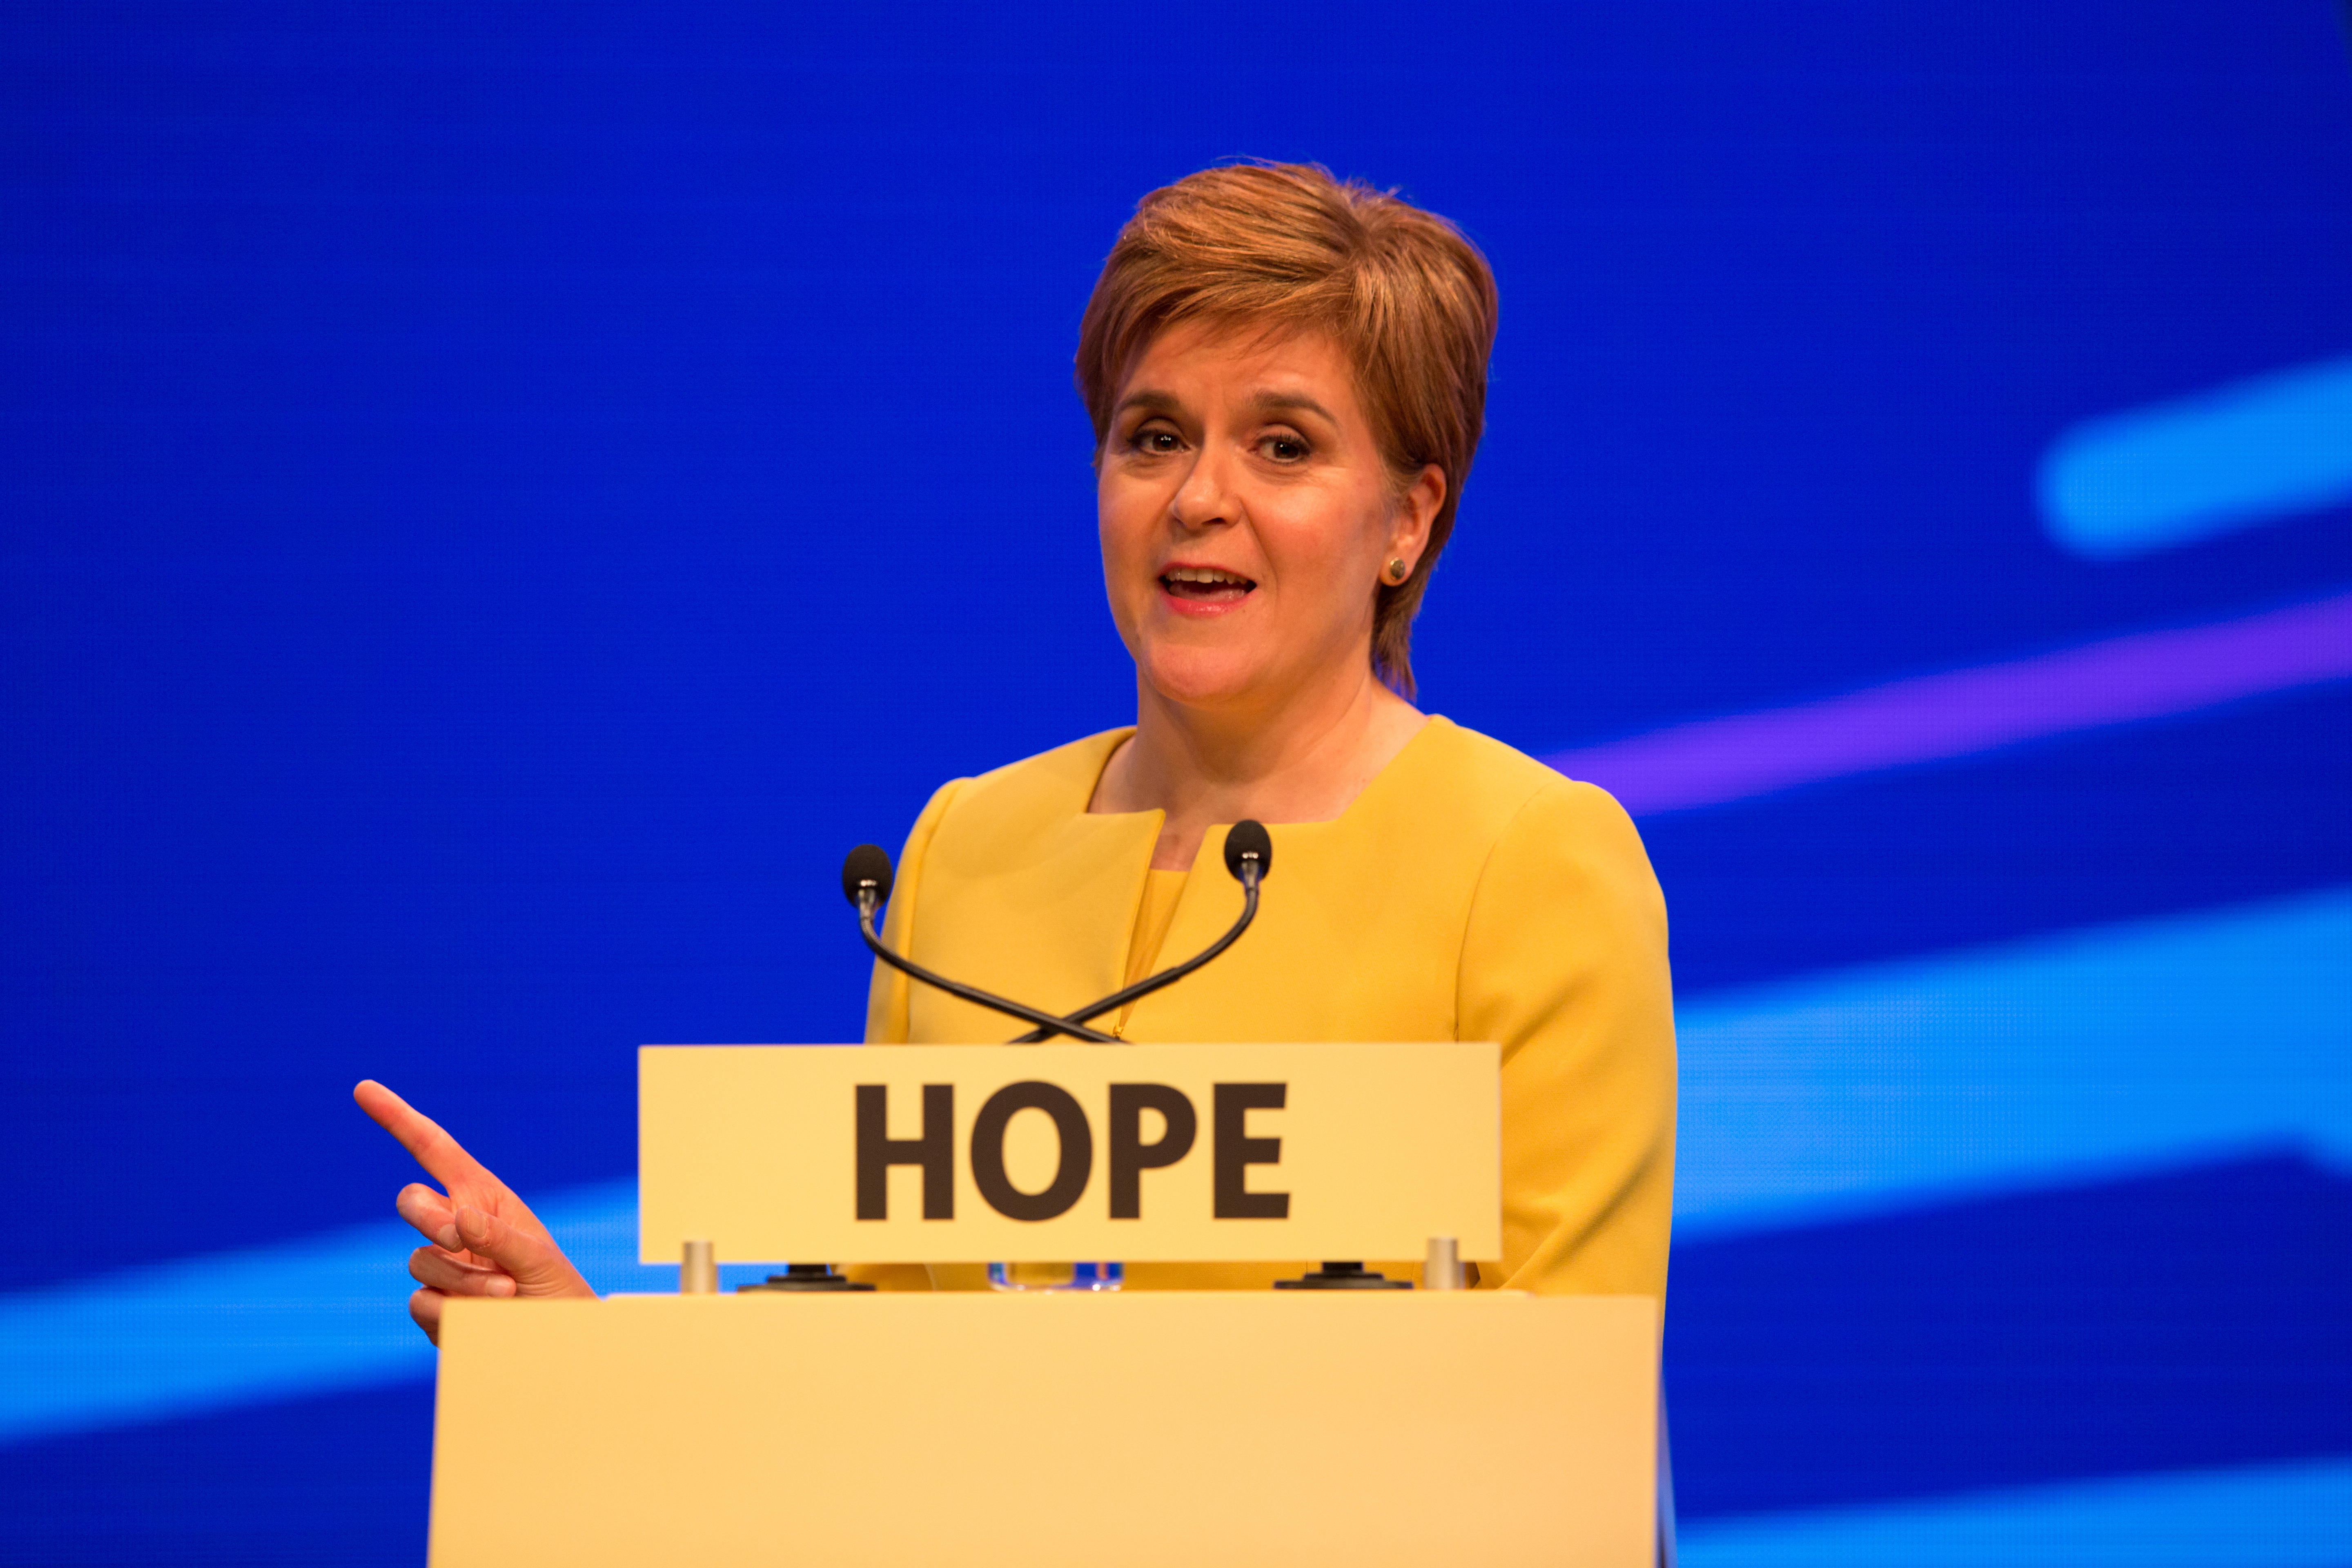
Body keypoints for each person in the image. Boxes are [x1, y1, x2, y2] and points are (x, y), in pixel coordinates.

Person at [359, 161, 1674, 1339]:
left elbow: (1564, 1418)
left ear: (1408, 520)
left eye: (1284, 447)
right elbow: (858, 1381)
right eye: (1154, 437)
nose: (1198, 497)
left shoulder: (1527, 863)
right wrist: (576, 1355)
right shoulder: (966, 849)